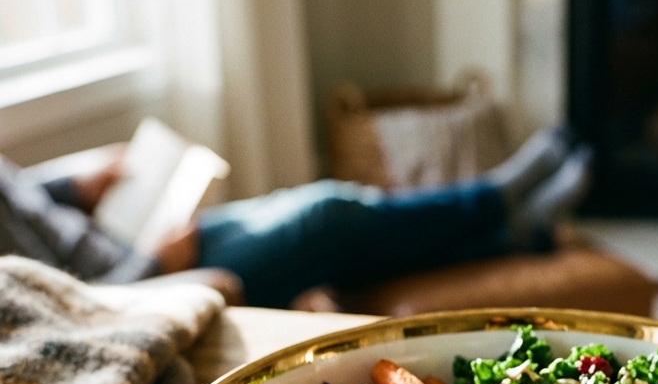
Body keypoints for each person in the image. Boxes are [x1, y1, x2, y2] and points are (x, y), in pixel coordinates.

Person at [0, 129, 590, 308]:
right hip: (138, 284)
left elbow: (20, 197)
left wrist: (76, 184)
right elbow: (56, 316)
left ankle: (518, 230)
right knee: (324, 222)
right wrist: (154, 262)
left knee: (325, 206)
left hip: (126, 235)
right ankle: (497, 199)